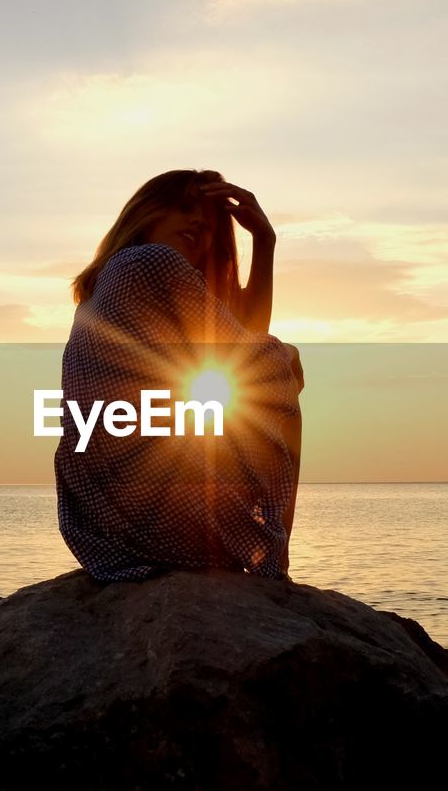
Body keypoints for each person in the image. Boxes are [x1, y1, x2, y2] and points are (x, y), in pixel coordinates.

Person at [55, 169, 303, 582]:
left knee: (264, 369)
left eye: (208, 225)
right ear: (146, 210)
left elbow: (241, 345)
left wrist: (265, 243)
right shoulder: (151, 260)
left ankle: (267, 552)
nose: (197, 225)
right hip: (158, 512)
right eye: (185, 208)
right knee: (285, 361)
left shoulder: (104, 284)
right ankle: (273, 560)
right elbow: (253, 354)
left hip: (105, 526)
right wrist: (265, 242)